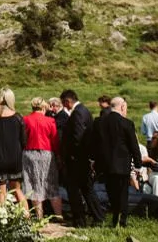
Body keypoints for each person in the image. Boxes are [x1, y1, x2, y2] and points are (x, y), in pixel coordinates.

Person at [57, 89, 101, 227]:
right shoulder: (85, 111)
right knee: (87, 189)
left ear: (68, 101)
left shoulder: (77, 114)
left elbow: (77, 137)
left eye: (64, 103)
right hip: (83, 159)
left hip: (76, 161)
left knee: (74, 191)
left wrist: (72, 155)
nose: (64, 107)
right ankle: (98, 216)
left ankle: (80, 219)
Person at [0, 89, 29, 214]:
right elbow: (24, 141)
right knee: (17, 190)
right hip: (14, 158)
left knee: (1, 192)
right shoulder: (18, 117)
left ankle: (3, 220)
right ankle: (27, 219)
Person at [95, 96, 140, 228]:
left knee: (111, 193)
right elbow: (133, 145)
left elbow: (96, 145)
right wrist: (138, 163)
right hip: (122, 165)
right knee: (122, 194)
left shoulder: (101, 122)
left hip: (106, 165)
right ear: (122, 107)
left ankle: (114, 217)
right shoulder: (127, 123)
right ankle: (122, 220)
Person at [22, 96, 60, 219]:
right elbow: (55, 140)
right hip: (46, 154)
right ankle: (59, 215)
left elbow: (22, 138)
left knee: (33, 184)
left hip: (29, 154)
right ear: (43, 107)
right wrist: (58, 155)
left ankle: (39, 215)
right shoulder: (50, 121)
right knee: (51, 183)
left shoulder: (25, 120)